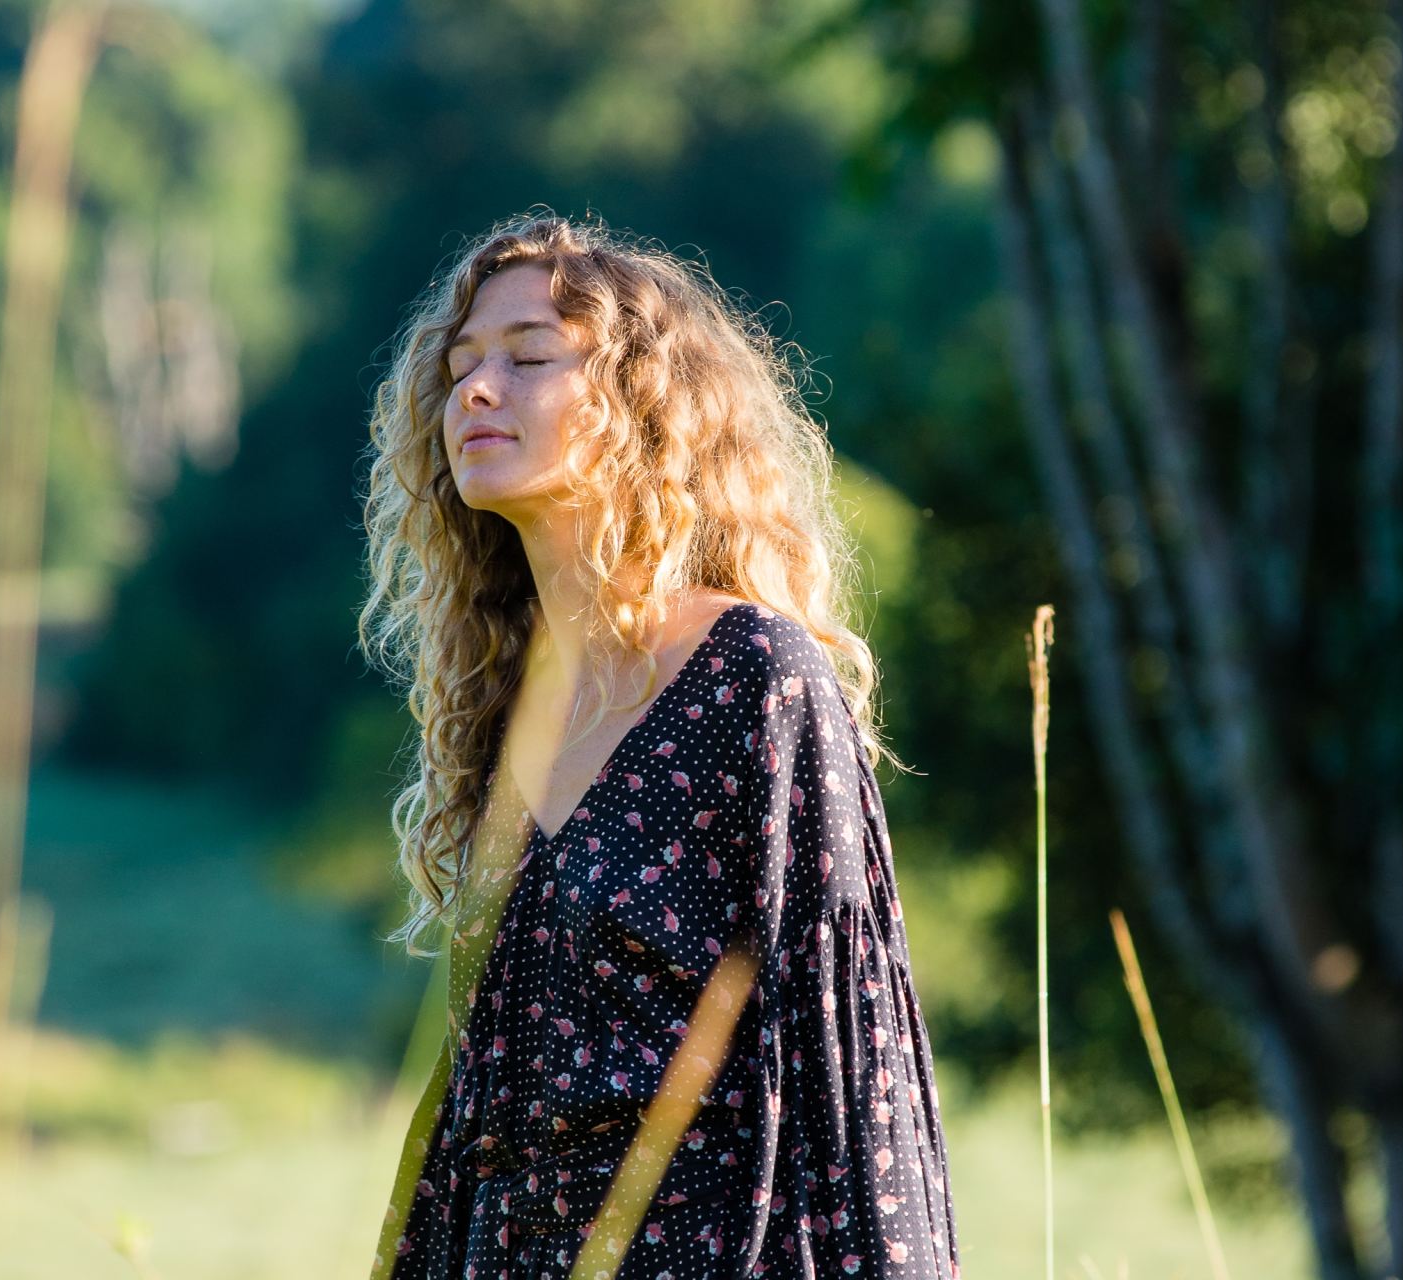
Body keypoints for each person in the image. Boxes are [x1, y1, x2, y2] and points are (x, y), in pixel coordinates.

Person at [359, 209, 960, 1279]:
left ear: (642, 405)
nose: (476, 391)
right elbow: (479, 1119)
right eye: (460, 367)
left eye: (529, 357)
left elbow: (849, 1057)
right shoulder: (510, 706)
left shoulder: (753, 677)